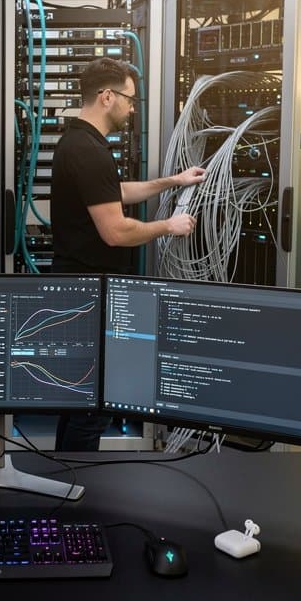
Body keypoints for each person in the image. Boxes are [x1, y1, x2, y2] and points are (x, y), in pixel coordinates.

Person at [50, 57, 206, 451]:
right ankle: (76, 488)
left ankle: (63, 480)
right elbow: (116, 231)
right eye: (129, 99)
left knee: (78, 401)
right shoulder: (88, 151)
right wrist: (168, 225)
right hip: (90, 295)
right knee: (92, 406)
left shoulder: (81, 142)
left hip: (78, 289)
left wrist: (173, 181)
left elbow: (114, 191)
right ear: (106, 97)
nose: (133, 108)